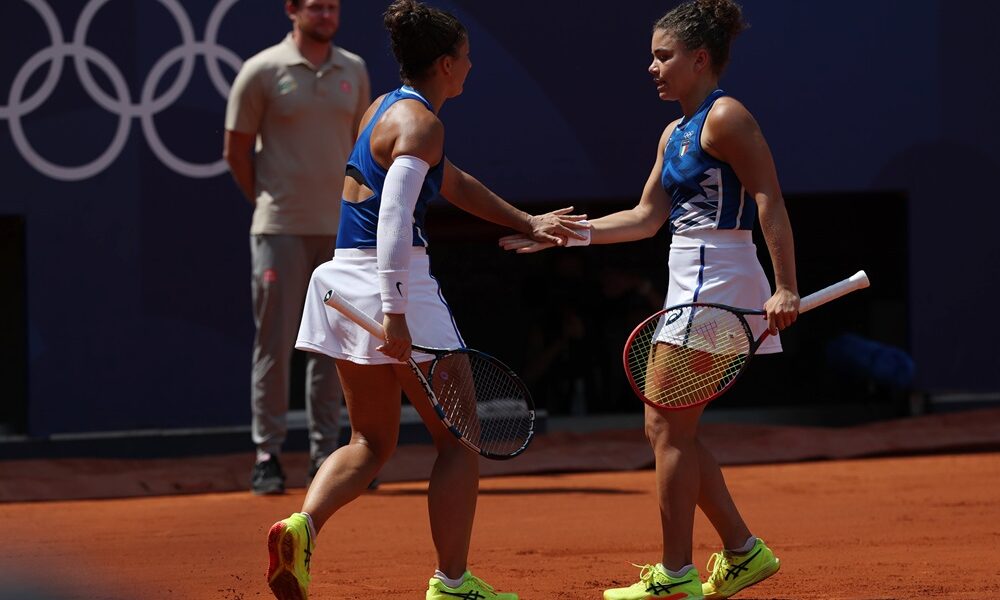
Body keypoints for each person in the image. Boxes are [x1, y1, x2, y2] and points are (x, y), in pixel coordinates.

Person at [264, 1, 588, 599]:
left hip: (343, 279)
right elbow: (393, 218)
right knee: (459, 439)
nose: (470, 65)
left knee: (370, 441)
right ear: (445, 64)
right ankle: (453, 582)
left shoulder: (384, 110)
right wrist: (395, 313)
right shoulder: (423, 126)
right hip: (398, 285)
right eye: (465, 56)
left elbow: (451, 181)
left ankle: (301, 526)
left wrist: (527, 220)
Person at [501, 1, 797, 598]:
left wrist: (785, 284)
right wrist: (569, 234)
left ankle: (677, 574)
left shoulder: (727, 117)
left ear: (700, 59)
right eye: (653, 56)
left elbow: (768, 197)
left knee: (665, 428)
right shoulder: (674, 131)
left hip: (719, 282)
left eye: (664, 56)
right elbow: (644, 217)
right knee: (669, 429)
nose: (652, 67)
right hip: (690, 280)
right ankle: (741, 551)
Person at [223, 0, 370, 495]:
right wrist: (271, 204)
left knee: (333, 346)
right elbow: (236, 151)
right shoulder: (261, 70)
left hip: (340, 233)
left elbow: (361, 148)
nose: (326, 15)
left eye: (332, 7)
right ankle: (267, 453)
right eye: (315, 7)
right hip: (280, 229)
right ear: (292, 10)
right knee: (275, 343)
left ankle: (325, 454)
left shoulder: (354, 69)